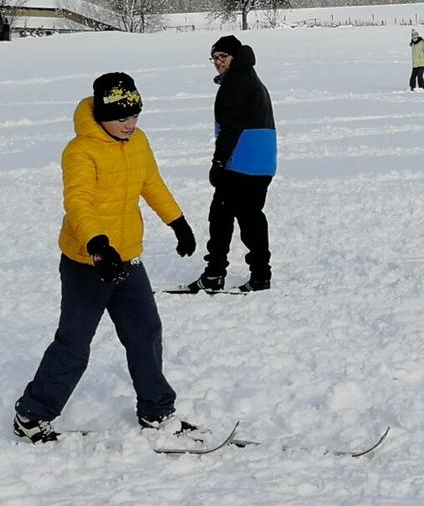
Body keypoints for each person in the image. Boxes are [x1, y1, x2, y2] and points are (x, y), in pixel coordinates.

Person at [12, 73, 198, 443]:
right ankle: (31, 415)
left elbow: (151, 182)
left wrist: (177, 221)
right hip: (88, 262)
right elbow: (78, 202)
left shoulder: (138, 141)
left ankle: (157, 410)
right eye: (121, 118)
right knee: (74, 344)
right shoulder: (80, 150)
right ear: (100, 115)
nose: (130, 125)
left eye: (135, 116)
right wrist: (98, 246)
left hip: (128, 257)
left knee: (145, 334)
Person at [181, 35, 277, 294]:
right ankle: (258, 275)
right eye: (214, 58)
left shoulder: (236, 82)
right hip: (261, 162)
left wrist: (219, 160)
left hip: (242, 162)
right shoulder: (251, 79)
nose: (218, 63)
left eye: (223, 57)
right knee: (246, 217)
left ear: (235, 57)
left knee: (223, 216)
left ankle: (217, 274)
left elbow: (232, 126)